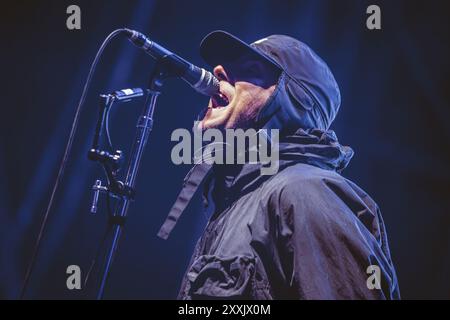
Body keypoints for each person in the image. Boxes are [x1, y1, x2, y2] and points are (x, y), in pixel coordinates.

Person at [157, 30, 400, 299]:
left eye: (249, 69)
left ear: (290, 100)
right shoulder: (237, 204)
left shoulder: (305, 192)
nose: (217, 70)